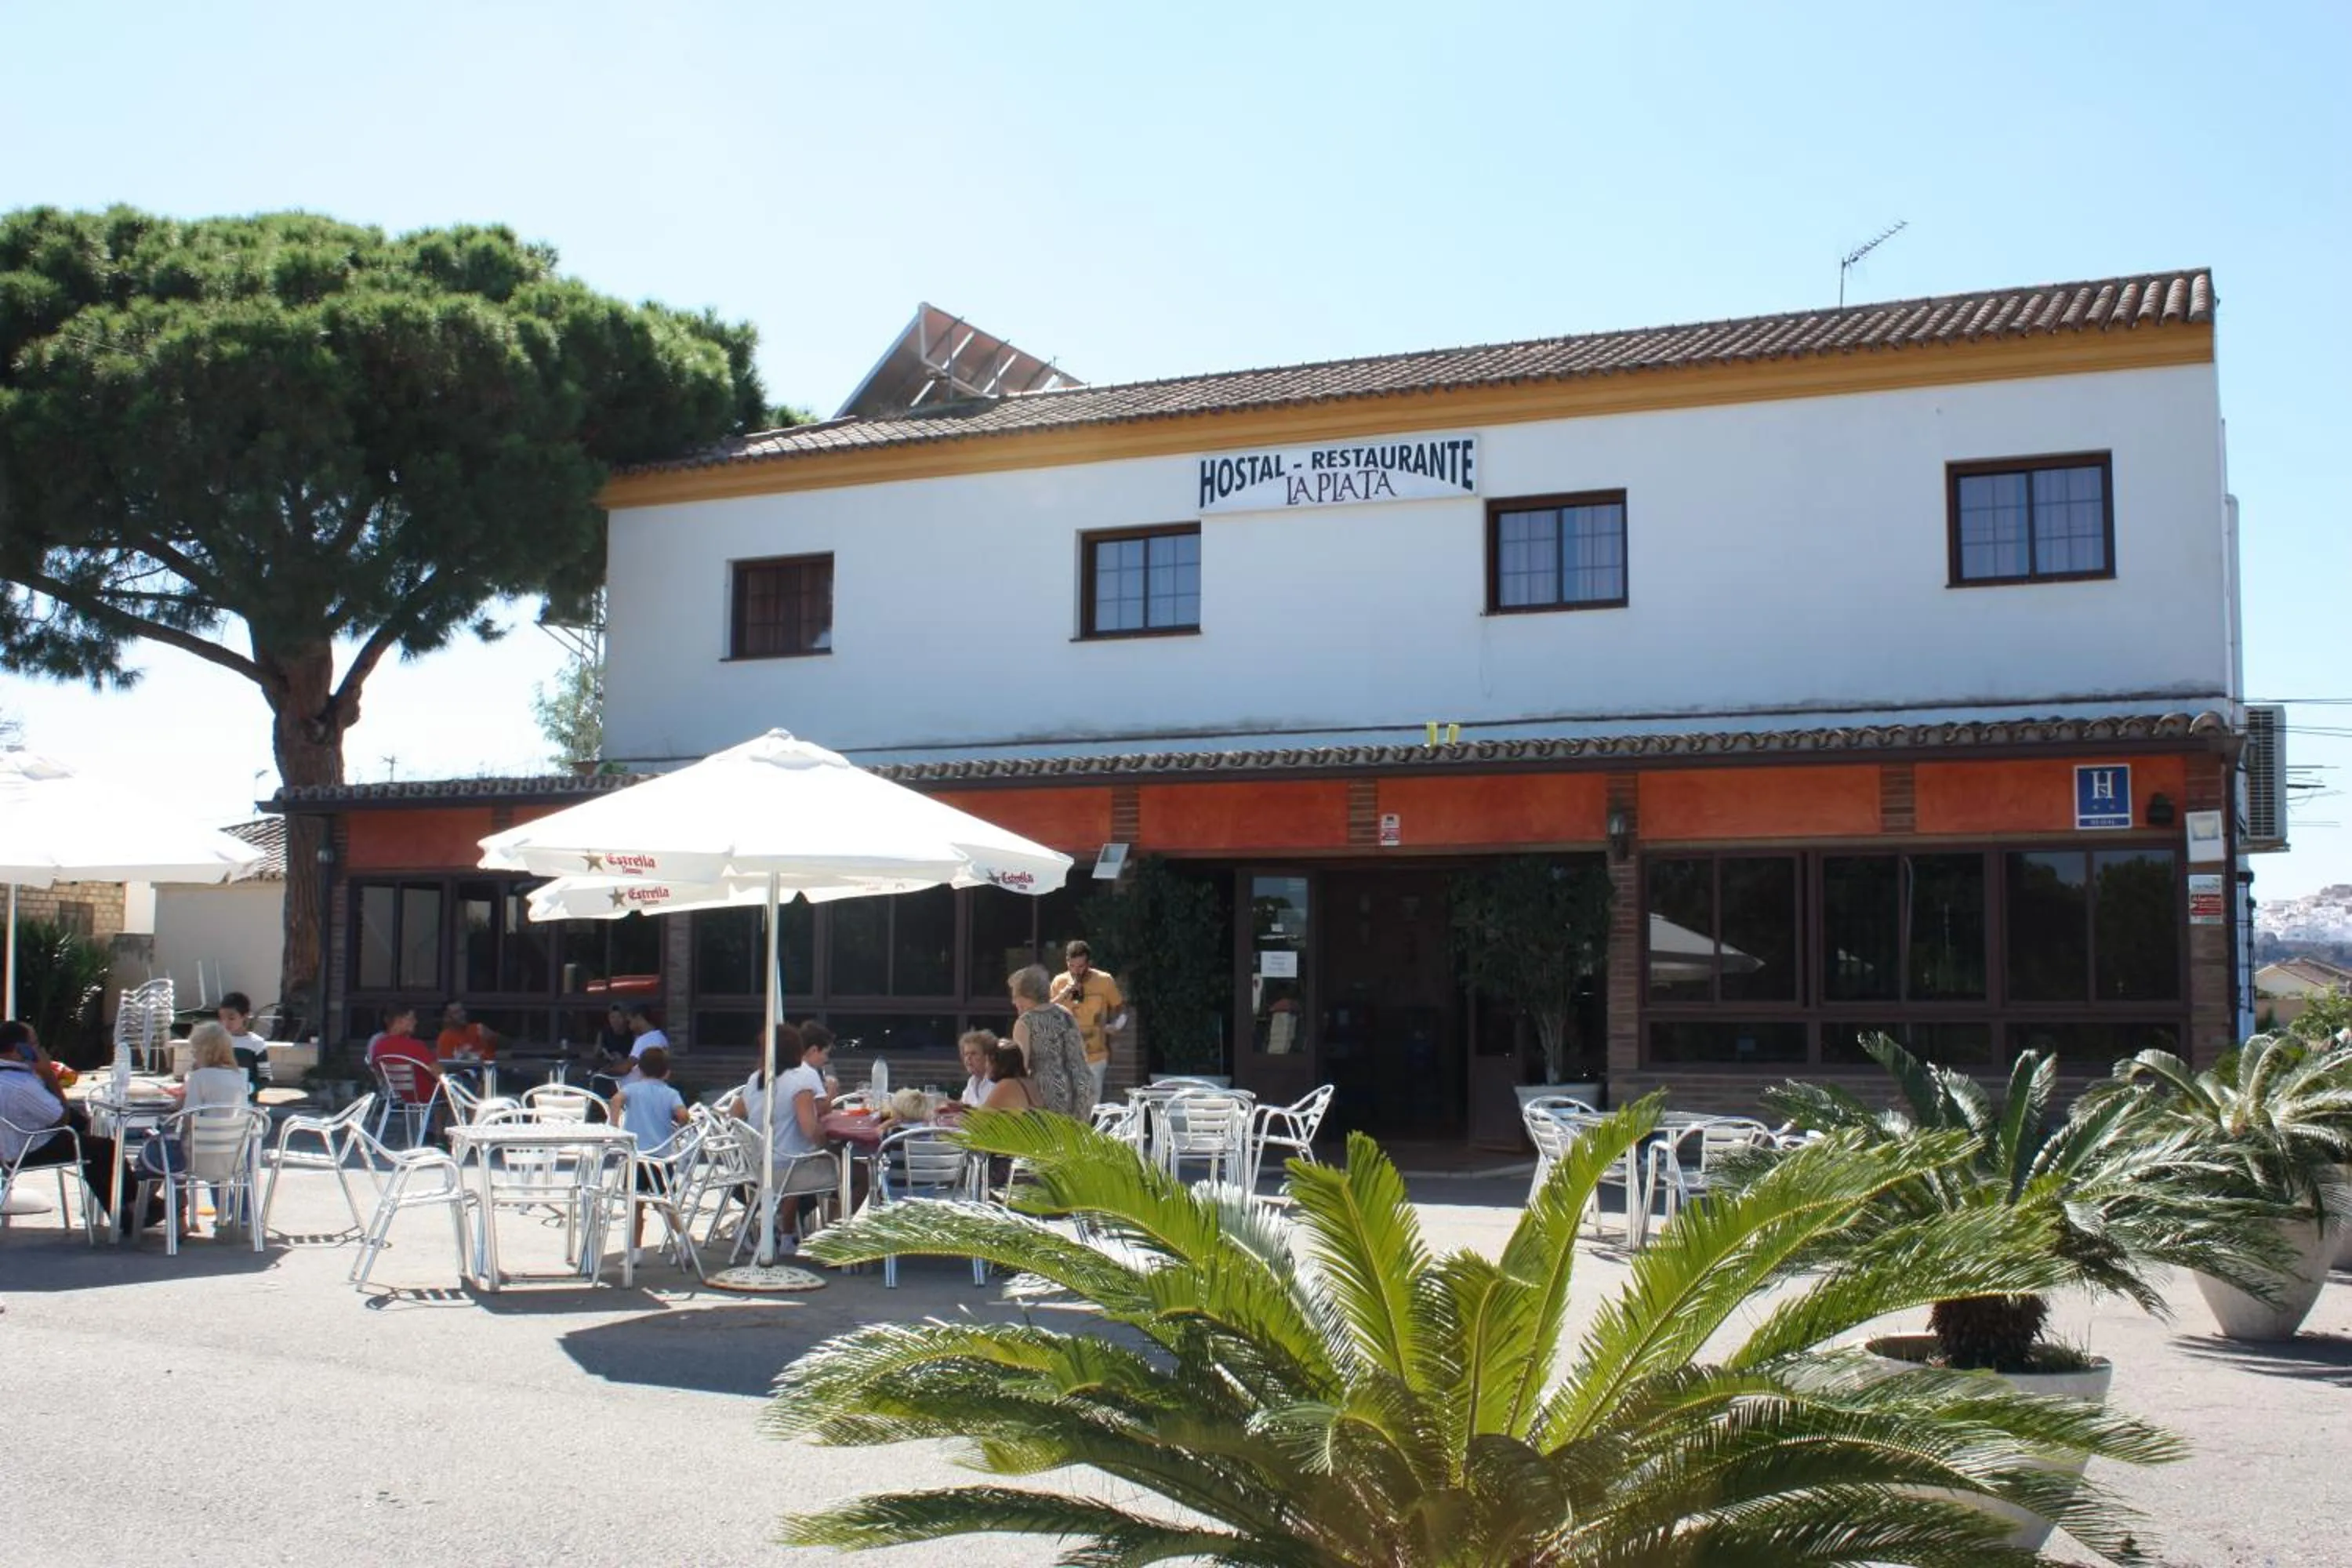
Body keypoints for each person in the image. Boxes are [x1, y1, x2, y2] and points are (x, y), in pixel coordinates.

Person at [0, 1019, 156, 1236]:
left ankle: (126, 1211)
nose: (41, 1050)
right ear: (20, 1050)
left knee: (91, 1145)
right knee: (104, 1148)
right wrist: (48, 1075)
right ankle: (137, 1207)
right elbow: (60, 1116)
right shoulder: (21, 1085)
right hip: (26, 1148)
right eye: (35, 1044)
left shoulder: (12, 1076)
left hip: (11, 1142)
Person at [738, 1023, 838, 1257]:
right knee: (850, 1171)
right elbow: (809, 1129)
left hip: (757, 1166)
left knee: (794, 1151)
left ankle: (775, 1234)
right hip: (787, 1171)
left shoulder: (756, 1079)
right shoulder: (799, 1081)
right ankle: (826, 1238)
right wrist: (828, 1146)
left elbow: (734, 1115)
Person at [612, 1046, 690, 1263]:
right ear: (667, 1073)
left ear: (640, 1070)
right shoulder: (670, 1093)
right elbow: (683, 1115)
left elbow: (616, 1100)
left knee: (635, 1205)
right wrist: (681, 1122)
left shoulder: (632, 1089)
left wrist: (614, 1127)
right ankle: (683, 1239)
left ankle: (635, 1251)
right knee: (665, 1202)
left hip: (636, 1155)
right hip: (661, 1158)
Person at [1049, 940, 1128, 1106]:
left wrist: (1117, 1025)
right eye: (1072, 966)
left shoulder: (1104, 981)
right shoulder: (1059, 982)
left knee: (1088, 1108)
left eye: (1081, 967)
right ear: (1067, 963)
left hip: (1095, 1057)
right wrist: (1065, 993)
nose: (1076, 971)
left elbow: (1121, 1008)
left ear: (1089, 964)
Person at [1009, 964, 1091, 1120]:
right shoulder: (1065, 1013)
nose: (1013, 1001)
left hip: (1047, 1094)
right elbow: (1081, 1054)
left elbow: (1020, 1067)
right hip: (1079, 1091)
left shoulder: (1025, 1022)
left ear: (1027, 994)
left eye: (1015, 995)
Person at [216, 992, 271, 1091]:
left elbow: (265, 1077)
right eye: (222, 1018)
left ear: (245, 1016)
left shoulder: (256, 1043)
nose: (226, 1023)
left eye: (231, 1018)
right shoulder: (217, 1040)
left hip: (246, 1101)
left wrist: (249, 1088)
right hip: (219, 1097)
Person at [980, 1041, 1039, 1112]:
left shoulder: (1007, 1085)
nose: (985, 1066)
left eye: (987, 1061)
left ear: (1000, 1065)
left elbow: (980, 1120)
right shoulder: (1029, 1083)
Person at [434, 1002, 499, 1062]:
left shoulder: (478, 1028)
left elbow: (500, 1048)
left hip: (486, 1071)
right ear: (447, 1018)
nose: (462, 1014)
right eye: (457, 1012)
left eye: (462, 1010)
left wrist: (492, 1038)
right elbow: (446, 1066)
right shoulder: (445, 1038)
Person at [956, 1029, 996, 1108]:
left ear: (987, 1057)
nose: (968, 1058)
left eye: (974, 1054)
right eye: (966, 1054)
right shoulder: (972, 1081)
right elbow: (959, 1108)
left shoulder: (996, 1083)